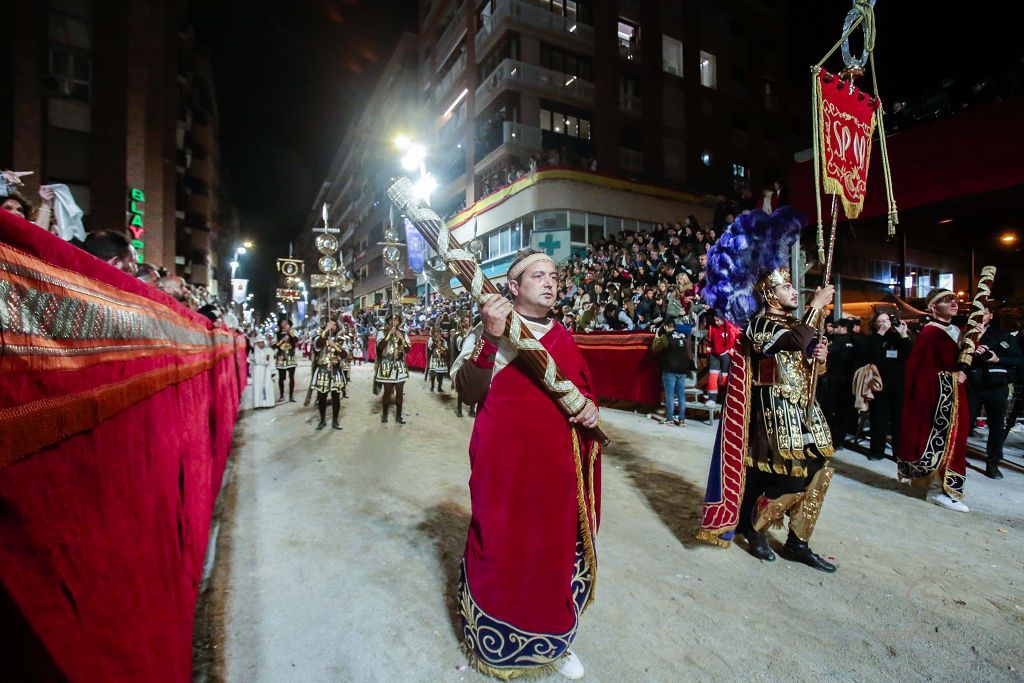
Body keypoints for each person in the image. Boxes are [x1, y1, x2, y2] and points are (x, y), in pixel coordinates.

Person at [451, 248, 601, 679]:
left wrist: (591, 409)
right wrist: (491, 337)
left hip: (555, 474)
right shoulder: (490, 329)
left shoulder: (565, 337)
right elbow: (467, 391)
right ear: (513, 287)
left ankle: (555, 643)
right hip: (503, 472)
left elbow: (585, 395)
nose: (550, 282)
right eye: (538, 275)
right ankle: (492, 645)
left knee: (551, 557)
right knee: (499, 549)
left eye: (554, 275)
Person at [698, 209, 837, 573]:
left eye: (793, 286)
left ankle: (798, 541)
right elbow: (785, 343)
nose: (793, 290)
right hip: (775, 414)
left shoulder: (797, 322)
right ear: (769, 294)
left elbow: (807, 359)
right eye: (786, 287)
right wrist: (815, 309)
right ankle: (754, 527)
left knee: (821, 471)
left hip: (805, 407)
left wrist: (819, 357)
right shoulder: (759, 323)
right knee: (788, 475)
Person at [897, 289, 970, 512]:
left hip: (955, 395)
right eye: (945, 300)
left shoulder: (956, 330)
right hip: (940, 397)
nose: (953, 303)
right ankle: (939, 490)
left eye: (954, 300)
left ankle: (944, 488)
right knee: (945, 439)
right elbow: (918, 371)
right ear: (932, 308)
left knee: (958, 438)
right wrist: (950, 377)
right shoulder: (929, 333)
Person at [966, 303, 1023, 479]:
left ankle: (993, 463)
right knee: (963, 425)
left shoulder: (1001, 335)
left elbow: (1019, 359)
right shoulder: (964, 335)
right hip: (971, 386)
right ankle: (958, 457)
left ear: (990, 316)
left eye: (984, 313)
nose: (980, 316)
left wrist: (997, 358)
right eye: (976, 313)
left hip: (996, 387)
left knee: (997, 426)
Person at [861, 311, 912, 460]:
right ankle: (877, 451)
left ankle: (899, 452)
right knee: (878, 419)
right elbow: (869, 354)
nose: (885, 323)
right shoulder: (872, 338)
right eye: (880, 321)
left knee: (899, 419)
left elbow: (910, 355)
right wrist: (881, 333)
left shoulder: (898, 337)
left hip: (899, 384)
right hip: (879, 384)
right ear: (874, 324)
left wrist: (903, 335)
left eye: (887, 320)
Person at [652, 317, 693, 425]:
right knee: (681, 395)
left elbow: (655, 348)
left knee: (670, 395)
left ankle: (670, 418)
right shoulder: (682, 336)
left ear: (666, 327)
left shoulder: (666, 337)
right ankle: (682, 419)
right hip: (682, 370)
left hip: (670, 369)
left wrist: (656, 337)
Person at [375, 313, 411, 424]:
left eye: (396, 320)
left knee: (400, 392)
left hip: (400, 366)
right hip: (386, 365)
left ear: (399, 322)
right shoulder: (381, 332)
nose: (394, 322)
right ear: (388, 320)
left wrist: (402, 339)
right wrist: (389, 335)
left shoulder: (403, 333)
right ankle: (385, 414)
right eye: (392, 320)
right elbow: (380, 347)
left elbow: (407, 350)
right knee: (387, 392)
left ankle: (399, 416)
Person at [312, 320, 346, 430]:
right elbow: (318, 345)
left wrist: (335, 345)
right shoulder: (318, 336)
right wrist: (325, 331)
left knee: (336, 397)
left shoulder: (341, 339)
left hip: (335, 370)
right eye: (329, 324)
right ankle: (322, 420)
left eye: (334, 324)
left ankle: (335, 421)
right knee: (322, 397)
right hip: (323, 370)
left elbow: (345, 354)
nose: (332, 326)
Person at [707, 315, 739, 404]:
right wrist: (709, 352)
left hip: (726, 355)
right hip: (714, 354)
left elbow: (735, 340)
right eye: (715, 320)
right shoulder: (712, 327)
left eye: (717, 320)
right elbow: (709, 340)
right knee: (712, 375)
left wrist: (730, 352)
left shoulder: (730, 327)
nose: (716, 322)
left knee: (725, 376)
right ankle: (712, 398)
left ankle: (725, 397)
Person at [452, 315, 478, 418]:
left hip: (474, 362)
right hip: (463, 363)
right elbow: (461, 346)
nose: (468, 323)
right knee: (462, 387)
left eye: (469, 321)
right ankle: (459, 409)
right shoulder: (458, 335)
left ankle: (472, 409)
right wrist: (468, 335)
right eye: (466, 321)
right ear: (462, 323)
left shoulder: (476, 333)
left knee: (474, 387)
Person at [273, 318, 299, 403]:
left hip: (291, 358)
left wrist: (290, 332)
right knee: (281, 377)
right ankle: (281, 395)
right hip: (281, 357)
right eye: (282, 322)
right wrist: (281, 341)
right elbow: (274, 346)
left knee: (292, 377)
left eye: (286, 323)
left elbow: (296, 340)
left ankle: (291, 396)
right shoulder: (277, 333)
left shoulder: (292, 332)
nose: (284, 324)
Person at [249, 336, 277, 409]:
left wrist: (273, 371)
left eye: (262, 342)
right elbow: (249, 359)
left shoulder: (269, 350)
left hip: (267, 370)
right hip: (257, 370)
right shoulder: (254, 351)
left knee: (267, 386)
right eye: (259, 343)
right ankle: (258, 404)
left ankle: (267, 403)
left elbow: (271, 361)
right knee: (258, 387)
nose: (261, 344)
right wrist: (252, 352)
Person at [426, 326, 450, 393]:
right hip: (434, 358)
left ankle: (439, 387)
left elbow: (446, 348)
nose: (438, 334)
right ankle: (432, 386)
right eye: (436, 332)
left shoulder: (443, 341)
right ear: (433, 333)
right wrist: (436, 341)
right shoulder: (431, 339)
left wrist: (443, 350)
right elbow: (430, 347)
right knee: (433, 374)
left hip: (441, 359)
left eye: (439, 332)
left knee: (441, 374)